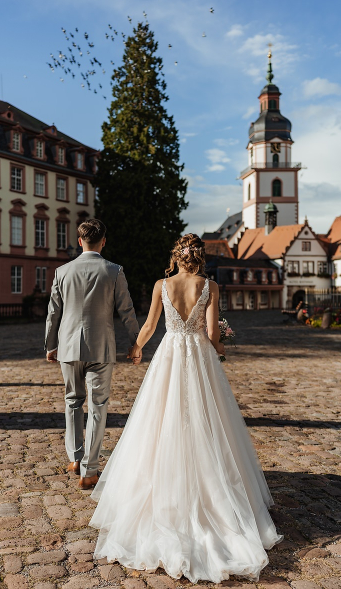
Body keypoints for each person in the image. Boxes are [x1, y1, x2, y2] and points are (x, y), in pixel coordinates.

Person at [89, 233, 282, 584]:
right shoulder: (209, 286)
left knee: (161, 420)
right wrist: (222, 345)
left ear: (176, 257)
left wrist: (136, 348)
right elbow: (210, 332)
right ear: (198, 257)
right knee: (209, 421)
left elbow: (149, 326)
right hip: (199, 359)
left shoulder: (162, 284)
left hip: (170, 355)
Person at [44, 219, 139, 489]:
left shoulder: (63, 271)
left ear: (79, 241)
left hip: (69, 346)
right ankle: (89, 471)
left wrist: (51, 345)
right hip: (101, 348)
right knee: (98, 407)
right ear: (104, 241)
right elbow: (126, 310)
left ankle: (75, 458)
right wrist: (135, 343)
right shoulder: (114, 270)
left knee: (72, 401)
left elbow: (53, 313)